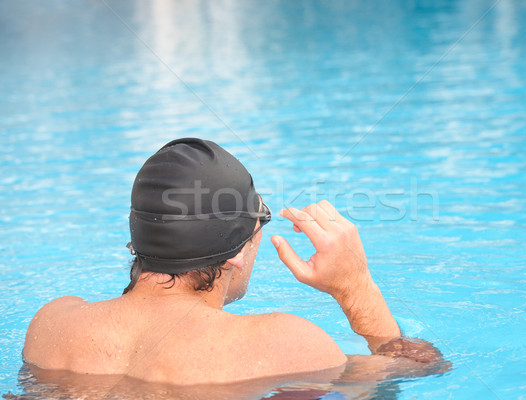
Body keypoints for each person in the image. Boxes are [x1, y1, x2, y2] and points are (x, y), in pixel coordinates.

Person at [22, 138, 444, 386]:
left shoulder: (52, 327)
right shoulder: (281, 346)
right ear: (239, 248)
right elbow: (417, 369)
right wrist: (357, 287)